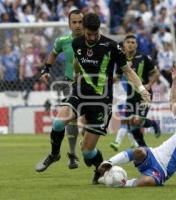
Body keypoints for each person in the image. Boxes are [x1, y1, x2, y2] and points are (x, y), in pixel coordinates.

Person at [35, 13, 150, 184]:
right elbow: (77, 62)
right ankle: (54, 154)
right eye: (88, 34)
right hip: (81, 92)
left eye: (95, 35)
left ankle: (99, 170)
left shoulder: (111, 46)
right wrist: (75, 75)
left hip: (101, 102)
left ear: (99, 31)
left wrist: (141, 89)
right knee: (58, 123)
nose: (91, 38)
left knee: (87, 152)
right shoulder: (77, 42)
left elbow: (127, 70)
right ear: (85, 31)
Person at [98, 64, 176, 187]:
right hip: (153, 155)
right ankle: (108, 163)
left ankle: (121, 183)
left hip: (162, 171)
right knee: (139, 151)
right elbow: (173, 102)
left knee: (147, 182)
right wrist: (175, 80)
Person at [35, 9, 83, 171]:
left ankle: (85, 155)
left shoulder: (92, 41)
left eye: (80, 22)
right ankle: (71, 154)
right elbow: (53, 54)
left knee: (87, 125)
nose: (77, 25)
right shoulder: (63, 41)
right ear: (69, 24)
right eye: (74, 22)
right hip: (71, 84)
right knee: (70, 118)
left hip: (92, 87)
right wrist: (46, 69)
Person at [110, 34, 160, 151]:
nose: (131, 44)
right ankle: (144, 149)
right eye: (128, 42)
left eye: (133, 42)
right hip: (130, 96)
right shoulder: (121, 60)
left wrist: (149, 84)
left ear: (136, 45)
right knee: (132, 125)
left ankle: (153, 124)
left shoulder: (144, 58)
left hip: (144, 95)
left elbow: (156, 73)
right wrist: (106, 83)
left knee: (136, 121)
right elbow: (117, 77)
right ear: (124, 45)